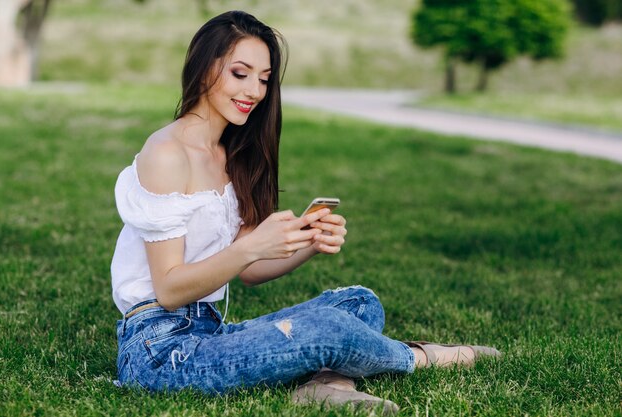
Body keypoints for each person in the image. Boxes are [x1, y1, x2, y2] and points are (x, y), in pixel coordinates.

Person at [111, 10, 500, 415]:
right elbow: (170, 290)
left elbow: (248, 270)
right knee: (330, 330)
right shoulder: (167, 153)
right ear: (204, 68)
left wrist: (307, 242)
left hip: (209, 332)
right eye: (240, 73)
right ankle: (420, 357)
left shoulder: (229, 153)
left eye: (263, 79)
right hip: (160, 353)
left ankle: (326, 385)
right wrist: (251, 247)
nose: (255, 91)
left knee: (358, 304)